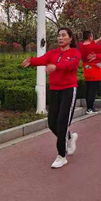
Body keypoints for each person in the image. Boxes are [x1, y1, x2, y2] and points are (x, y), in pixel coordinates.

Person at [22, 28, 81, 169]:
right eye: (58, 35)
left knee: (62, 124)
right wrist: (31, 61)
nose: (60, 38)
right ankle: (70, 137)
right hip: (54, 91)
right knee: (52, 123)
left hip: (68, 90)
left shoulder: (75, 53)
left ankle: (61, 156)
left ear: (70, 38)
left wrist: (56, 67)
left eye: (63, 35)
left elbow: (71, 65)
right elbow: (42, 60)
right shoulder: (53, 53)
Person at [78, 31, 101, 114]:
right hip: (94, 70)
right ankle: (90, 108)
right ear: (90, 37)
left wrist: (99, 39)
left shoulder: (81, 46)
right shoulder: (93, 47)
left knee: (88, 88)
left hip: (86, 69)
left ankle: (89, 107)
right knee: (93, 90)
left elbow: (91, 44)